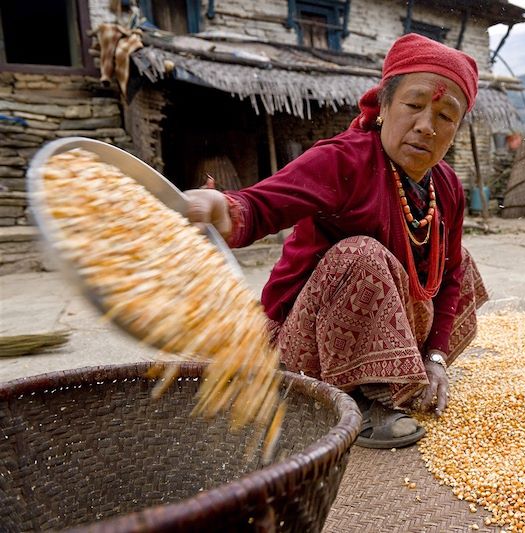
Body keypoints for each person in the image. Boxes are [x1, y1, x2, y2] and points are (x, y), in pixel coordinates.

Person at [186, 33, 488, 449]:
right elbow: (262, 204)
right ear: (383, 107)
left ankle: (411, 370)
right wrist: (221, 208)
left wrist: (436, 356)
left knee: (458, 262)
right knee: (359, 255)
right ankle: (365, 400)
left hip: (393, 327)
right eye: (414, 106)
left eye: (445, 116)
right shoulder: (343, 159)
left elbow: (450, 277)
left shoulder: (448, 187)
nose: (425, 126)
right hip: (302, 342)